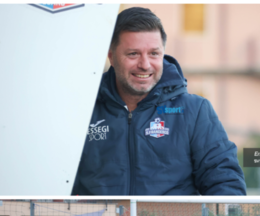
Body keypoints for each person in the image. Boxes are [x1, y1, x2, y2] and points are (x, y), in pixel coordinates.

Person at [72, 7, 245, 195]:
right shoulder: (81, 110)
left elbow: (225, 182)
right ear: (112, 57)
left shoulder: (195, 111)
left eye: (154, 53)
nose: (145, 64)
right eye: (133, 54)